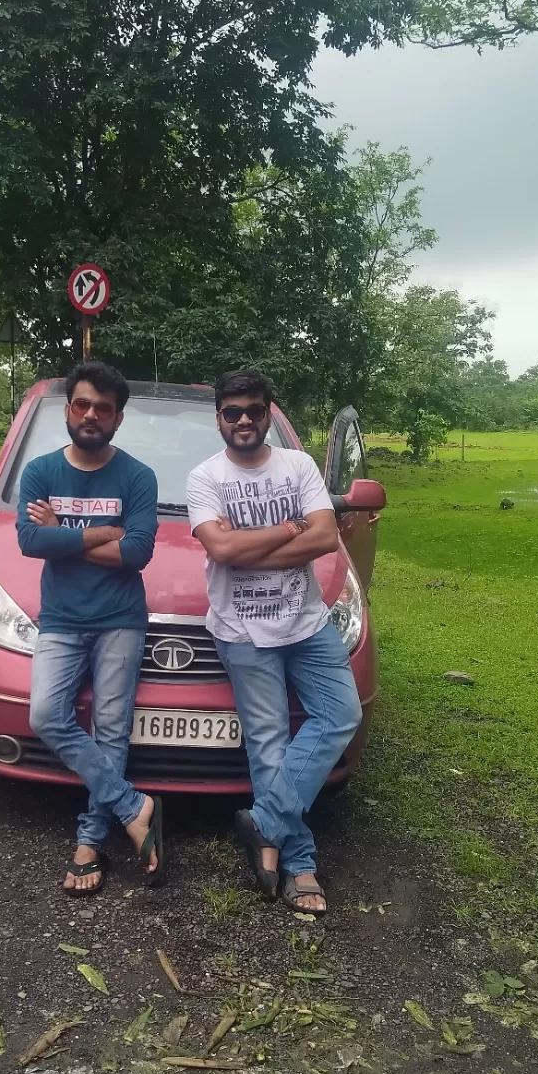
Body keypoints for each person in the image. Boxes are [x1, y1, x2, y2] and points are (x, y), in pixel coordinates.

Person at [186, 368, 362, 915]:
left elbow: (327, 536)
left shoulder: (298, 464)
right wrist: (288, 532)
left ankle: (263, 822)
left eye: (254, 411)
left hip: (308, 624)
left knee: (341, 715)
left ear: (268, 412)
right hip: (243, 632)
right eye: (233, 412)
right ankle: (299, 864)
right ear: (218, 417)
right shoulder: (205, 478)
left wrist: (247, 546)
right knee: (268, 744)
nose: (244, 420)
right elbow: (221, 551)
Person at [17, 361, 162, 894]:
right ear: (68, 410)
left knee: (111, 730)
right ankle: (133, 805)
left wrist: (66, 534)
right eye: (82, 404)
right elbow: (32, 544)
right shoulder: (40, 473)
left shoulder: (138, 476)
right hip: (60, 620)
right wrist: (104, 532)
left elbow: (138, 554)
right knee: (46, 715)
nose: (92, 414)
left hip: (120, 620)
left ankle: (89, 841)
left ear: (118, 417)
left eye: (104, 407)